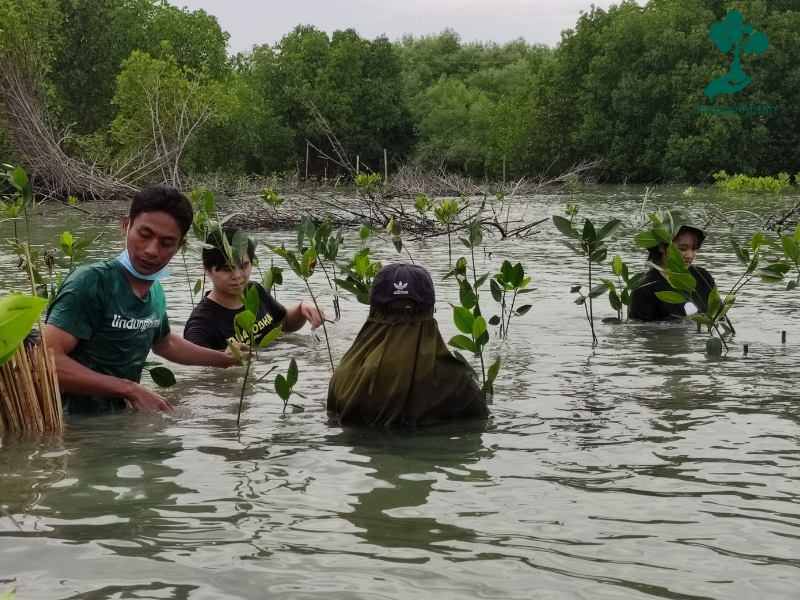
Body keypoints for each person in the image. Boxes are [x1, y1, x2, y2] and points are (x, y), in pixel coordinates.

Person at [45, 185, 249, 414]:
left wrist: (223, 358)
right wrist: (131, 390)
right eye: (145, 235)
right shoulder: (91, 283)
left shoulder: (155, 292)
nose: (152, 250)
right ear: (126, 225)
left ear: (179, 245)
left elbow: (165, 343)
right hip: (71, 423)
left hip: (116, 421)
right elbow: (47, 362)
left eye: (166, 242)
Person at [327, 263, 489, 426]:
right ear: (430, 310)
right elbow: (479, 429)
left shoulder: (344, 373)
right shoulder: (456, 381)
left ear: (373, 310)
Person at [182, 228, 324, 350]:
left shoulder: (253, 291)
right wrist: (225, 358)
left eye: (244, 266)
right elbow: (199, 375)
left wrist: (302, 308)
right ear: (207, 270)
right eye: (227, 269)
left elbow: (285, 322)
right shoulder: (200, 325)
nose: (238, 276)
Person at [630, 208, 715, 321]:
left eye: (695, 248)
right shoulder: (645, 289)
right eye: (682, 248)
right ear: (661, 246)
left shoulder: (703, 277)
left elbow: (718, 317)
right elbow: (644, 333)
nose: (690, 255)